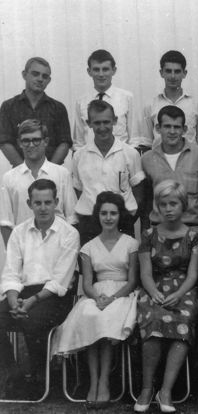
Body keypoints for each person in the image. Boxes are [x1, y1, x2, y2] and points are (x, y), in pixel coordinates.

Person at [51, 191, 138, 406]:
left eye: (113, 213)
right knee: (90, 315)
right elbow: (87, 283)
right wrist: (99, 298)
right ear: (97, 215)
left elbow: (132, 281)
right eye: (104, 213)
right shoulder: (88, 247)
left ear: (120, 215)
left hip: (122, 294)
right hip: (96, 294)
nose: (108, 218)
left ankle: (104, 381)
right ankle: (93, 381)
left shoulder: (131, 244)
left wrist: (112, 298)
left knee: (105, 319)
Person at [0, 179, 79, 397]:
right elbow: (11, 273)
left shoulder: (69, 233)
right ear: (29, 204)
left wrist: (31, 302)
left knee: (32, 320)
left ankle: (40, 378)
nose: (43, 208)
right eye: (38, 203)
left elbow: (60, 280)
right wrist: (14, 301)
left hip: (54, 296)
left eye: (47, 202)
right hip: (22, 295)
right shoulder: (19, 232)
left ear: (56, 202)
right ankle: (13, 374)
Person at [134, 180, 198, 413]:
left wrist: (179, 293)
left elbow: (193, 274)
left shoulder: (194, 236)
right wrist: (153, 292)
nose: (168, 209)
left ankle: (165, 391)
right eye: (163, 204)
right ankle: (147, 388)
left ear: (183, 205)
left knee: (183, 320)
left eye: (173, 203)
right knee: (153, 319)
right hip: (154, 287)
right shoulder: (148, 235)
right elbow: (145, 273)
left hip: (184, 289)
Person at [72, 99, 145, 245]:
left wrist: (127, 216)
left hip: (122, 221)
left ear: (115, 121)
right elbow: (79, 190)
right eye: (97, 123)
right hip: (89, 223)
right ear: (89, 123)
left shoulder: (130, 153)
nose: (102, 127)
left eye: (106, 122)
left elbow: (138, 191)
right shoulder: (79, 156)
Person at [1, 119, 77, 246]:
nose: (31, 145)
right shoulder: (9, 178)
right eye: (26, 141)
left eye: (36, 140)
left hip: (57, 247)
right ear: (19, 143)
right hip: (24, 248)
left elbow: (72, 218)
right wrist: (13, 254)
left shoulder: (62, 174)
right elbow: (5, 223)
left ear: (45, 141)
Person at [141, 105, 198, 232]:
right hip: (159, 231)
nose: (172, 131)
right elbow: (146, 201)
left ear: (184, 129)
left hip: (193, 230)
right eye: (167, 126)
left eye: (177, 127)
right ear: (158, 128)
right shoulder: (147, 159)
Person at [0, 57, 72, 167]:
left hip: (52, 173)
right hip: (19, 172)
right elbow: (4, 142)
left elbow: (64, 143)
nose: (40, 79)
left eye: (45, 76)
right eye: (35, 74)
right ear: (24, 75)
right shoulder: (8, 107)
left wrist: (49, 171)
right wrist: (24, 171)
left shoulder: (58, 108)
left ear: (49, 80)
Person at [73, 49, 141, 150]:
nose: (101, 74)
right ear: (89, 72)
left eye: (105, 69)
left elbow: (134, 139)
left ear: (114, 70)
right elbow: (79, 142)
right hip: (90, 156)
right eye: (96, 69)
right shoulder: (81, 102)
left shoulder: (127, 98)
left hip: (120, 155)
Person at [142, 50, 198, 148]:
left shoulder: (197, 104)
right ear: (161, 73)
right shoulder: (150, 105)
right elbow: (146, 142)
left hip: (189, 157)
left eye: (177, 71)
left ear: (184, 73)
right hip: (159, 157)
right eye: (168, 71)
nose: (172, 76)